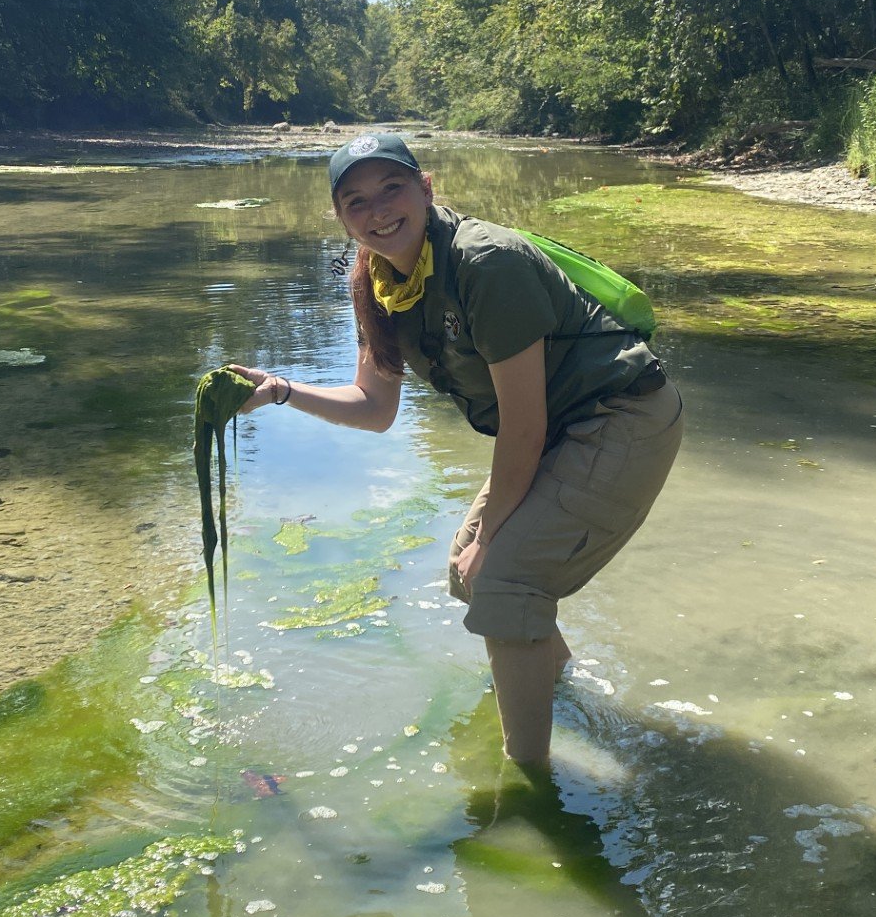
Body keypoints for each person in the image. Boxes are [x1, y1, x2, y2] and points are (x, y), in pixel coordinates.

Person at [233, 132, 683, 770]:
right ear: (341, 217)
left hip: (622, 414)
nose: (378, 210)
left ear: (425, 188)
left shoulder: (484, 263)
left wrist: (490, 539)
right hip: (557, 426)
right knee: (467, 575)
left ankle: (528, 784)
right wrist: (281, 392)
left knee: (502, 577)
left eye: (392, 188)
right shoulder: (375, 281)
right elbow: (374, 406)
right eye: (356, 201)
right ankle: (562, 690)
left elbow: (523, 429)